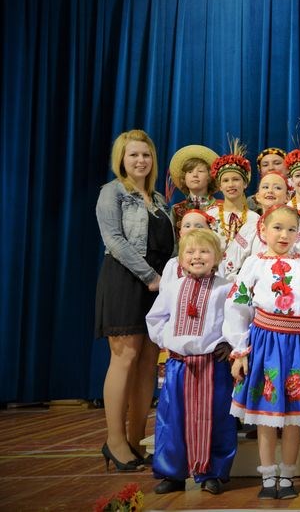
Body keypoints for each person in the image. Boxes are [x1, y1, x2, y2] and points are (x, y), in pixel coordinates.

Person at [223, 205, 300, 499]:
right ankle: (268, 476)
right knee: (267, 414)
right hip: (266, 343)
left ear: (299, 233)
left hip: (298, 346)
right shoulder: (254, 264)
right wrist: (240, 351)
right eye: (278, 228)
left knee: (294, 415)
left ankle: (288, 473)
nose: (284, 235)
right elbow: (236, 308)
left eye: (291, 229)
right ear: (263, 230)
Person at [95, 129, 174, 471]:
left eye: (146, 155)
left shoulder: (159, 200)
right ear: (122, 160)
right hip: (126, 279)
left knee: (148, 360)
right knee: (125, 356)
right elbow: (114, 239)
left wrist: (166, 281)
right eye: (133, 155)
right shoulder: (112, 193)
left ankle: (137, 439)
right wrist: (151, 277)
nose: (140, 160)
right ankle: (114, 442)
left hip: (157, 286)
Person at [146, 229, 236, 495]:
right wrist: (169, 340)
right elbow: (155, 318)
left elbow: (238, 319)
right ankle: (172, 473)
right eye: (190, 252)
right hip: (179, 366)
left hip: (213, 365)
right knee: (172, 419)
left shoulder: (226, 288)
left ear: (217, 257)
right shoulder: (172, 288)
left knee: (218, 418)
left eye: (205, 251)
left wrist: (229, 343)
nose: (197, 256)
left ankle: (213, 473)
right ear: (181, 259)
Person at [205, 143, 260, 281]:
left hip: (244, 278)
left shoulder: (255, 219)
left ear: (245, 183)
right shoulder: (210, 215)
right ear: (220, 186)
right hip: (211, 276)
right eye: (225, 180)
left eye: (236, 179)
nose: (231, 185)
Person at [168, 144, 219, 233]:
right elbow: (174, 243)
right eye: (190, 171)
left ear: (210, 177)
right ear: (184, 178)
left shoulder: (220, 208)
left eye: (200, 171)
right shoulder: (176, 210)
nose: (195, 175)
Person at [161, 209, 216, 289]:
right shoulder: (172, 265)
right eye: (187, 226)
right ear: (180, 233)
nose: (192, 229)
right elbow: (165, 294)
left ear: (209, 232)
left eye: (199, 226)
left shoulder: (216, 262)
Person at [247, 147, 287, 212]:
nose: (271, 168)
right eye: (265, 165)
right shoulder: (251, 202)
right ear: (260, 170)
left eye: (277, 163)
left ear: (287, 168)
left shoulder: (296, 199)